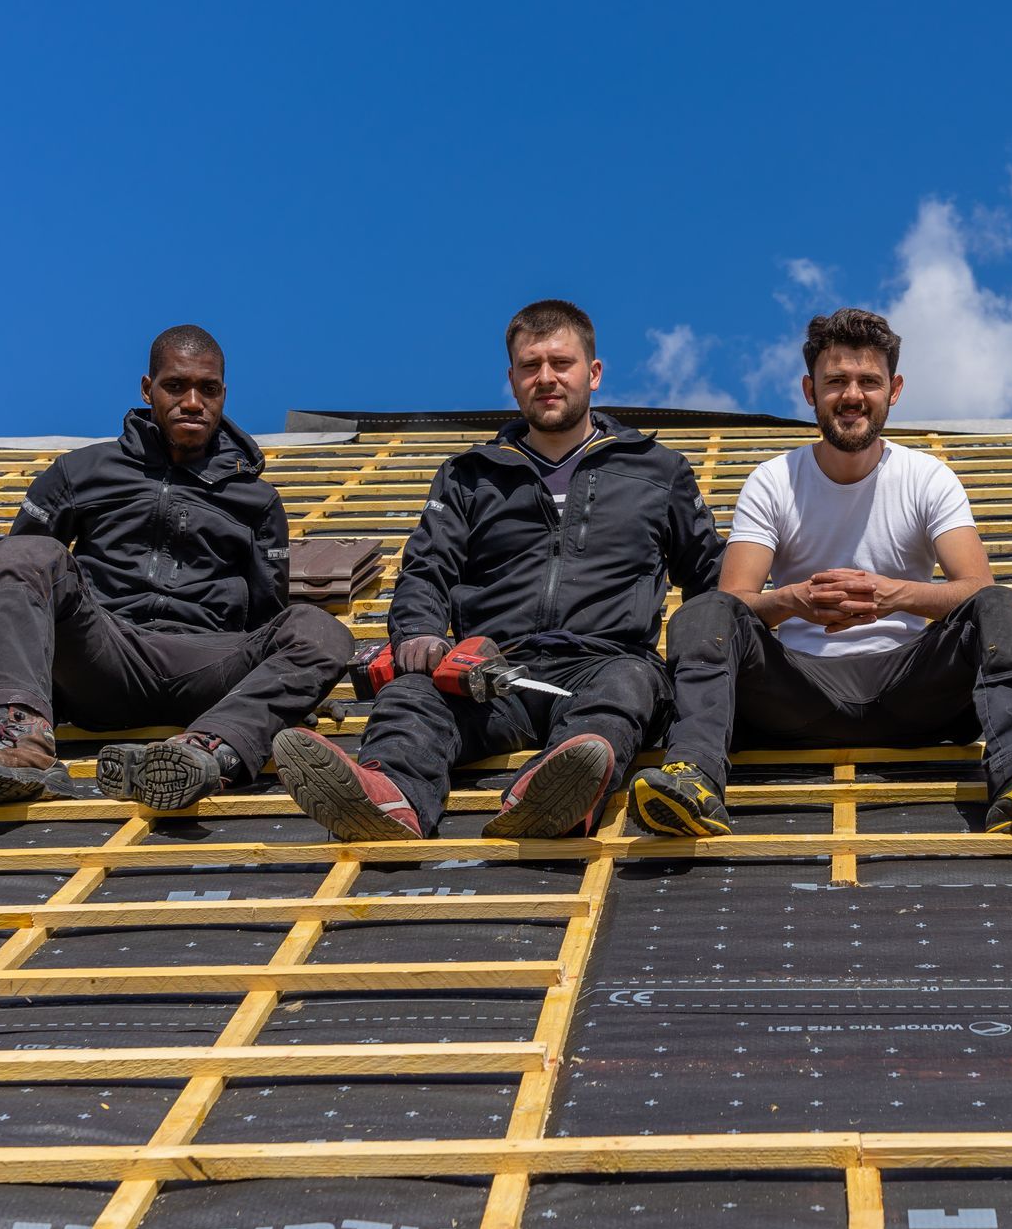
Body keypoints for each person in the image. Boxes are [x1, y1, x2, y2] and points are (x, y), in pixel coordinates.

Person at [272, 299, 724, 840]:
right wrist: (417, 633)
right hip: (489, 671)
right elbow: (427, 568)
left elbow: (711, 582)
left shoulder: (658, 470)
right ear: (512, 380)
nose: (547, 378)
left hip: (605, 660)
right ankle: (390, 799)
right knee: (411, 698)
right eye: (531, 366)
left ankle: (552, 794)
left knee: (626, 690)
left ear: (594, 373)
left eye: (562, 362)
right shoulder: (469, 475)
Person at [628, 307, 1012, 837]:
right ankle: (694, 777)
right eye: (836, 382)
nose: (852, 396)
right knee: (704, 610)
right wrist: (794, 601)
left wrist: (894, 596)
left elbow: (976, 590)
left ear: (893, 390)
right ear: (809, 390)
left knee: (1005, 605)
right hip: (796, 690)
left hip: (912, 690)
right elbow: (733, 604)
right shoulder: (774, 481)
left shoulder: (926, 477)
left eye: (868, 381)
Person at [0, 325, 353, 810]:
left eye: (208, 389)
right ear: (147, 389)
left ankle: (207, 752)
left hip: (208, 668)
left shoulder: (256, 501)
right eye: (176, 386)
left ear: (223, 394)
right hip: (104, 658)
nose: (193, 401)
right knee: (22, 553)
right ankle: (19, 741)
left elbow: (267, 613)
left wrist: (288, 696)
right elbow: (23, 590)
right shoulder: (80, 472)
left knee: (321, 631)